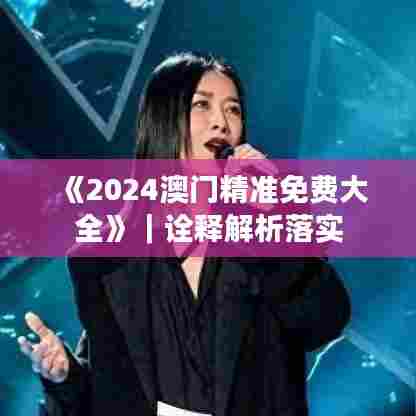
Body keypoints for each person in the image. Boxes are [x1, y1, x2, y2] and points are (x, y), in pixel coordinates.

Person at [18, 51, 351, 416]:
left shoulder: (270, 221)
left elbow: (324, 322)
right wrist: (66, 379)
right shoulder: (102, 260)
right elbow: (112, 395)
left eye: (233, 109)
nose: (221, 123)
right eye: (202, 106)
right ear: (163, 120)